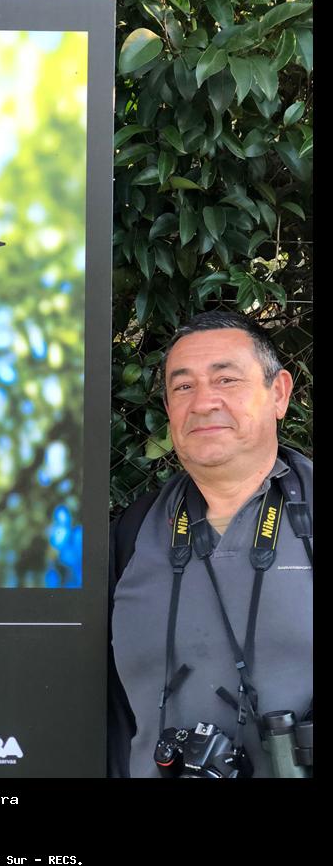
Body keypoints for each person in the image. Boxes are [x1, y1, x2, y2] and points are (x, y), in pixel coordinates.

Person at [108, 311, 313, 778]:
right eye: (183, 387)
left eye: (226, 379)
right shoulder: (132, 534)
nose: (203, 402)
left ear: (279, 393)